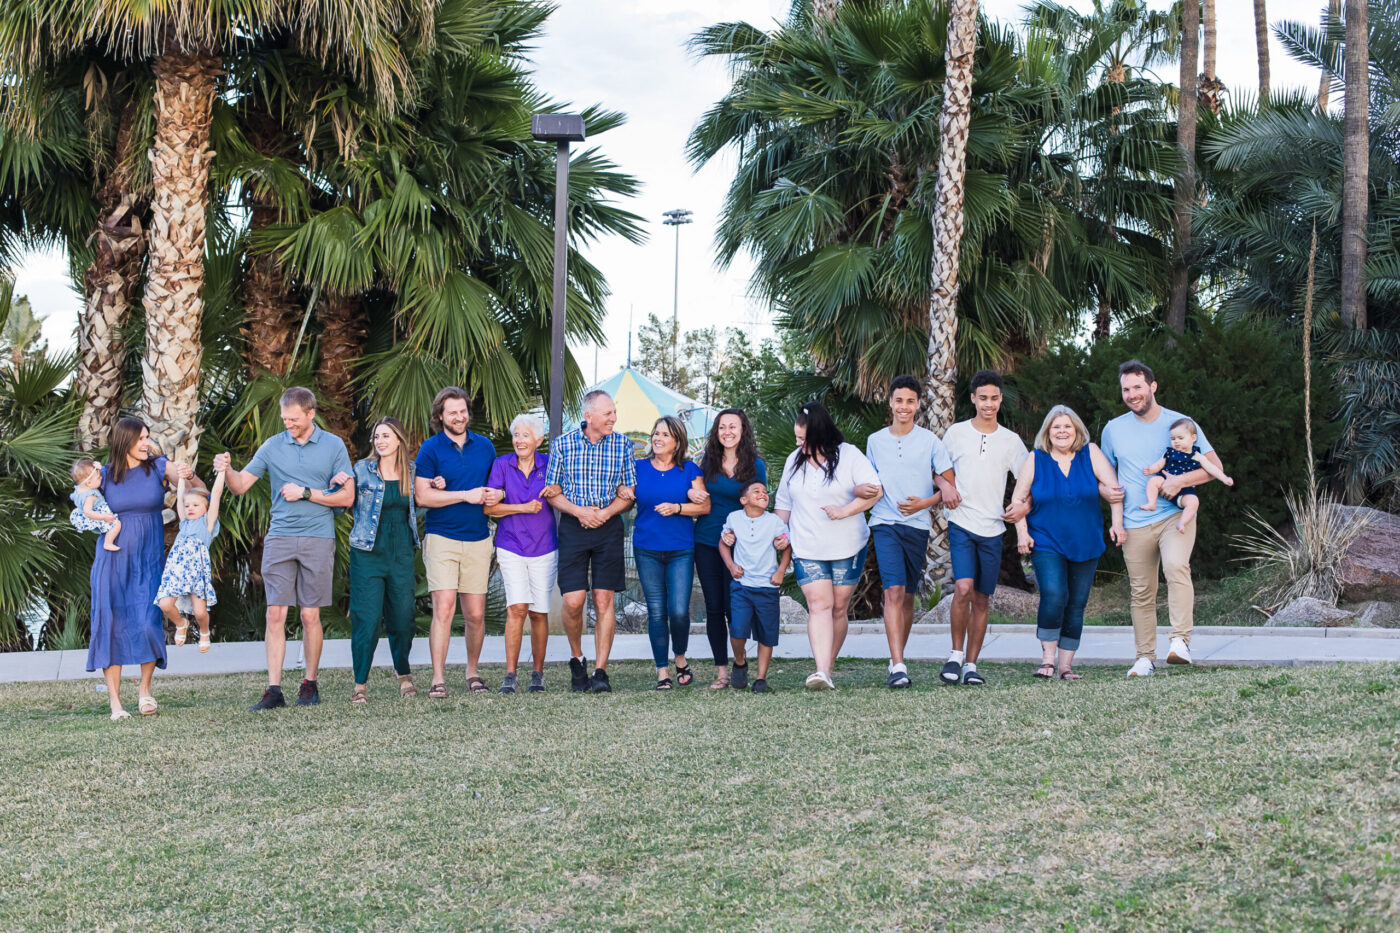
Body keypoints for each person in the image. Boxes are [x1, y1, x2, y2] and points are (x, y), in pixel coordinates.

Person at [215, 387, 354, 711]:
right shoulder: (273, 445)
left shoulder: (333, 446)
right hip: (279, 538)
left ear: (310, 414)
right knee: (275, 613)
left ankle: (309, 683)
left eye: (294, 419)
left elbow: (347, 498)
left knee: (309, 614)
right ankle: (274, 689)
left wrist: (307, 493)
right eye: (284, 419)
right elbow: (239, 486)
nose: (288, 424)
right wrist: (227, 467)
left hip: (318, 537)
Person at [1100, 359, 1224, 676]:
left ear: (1152, 387)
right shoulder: (1113, 429)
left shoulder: (1180, 423)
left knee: (1175, 566)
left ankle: (1180, 641)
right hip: (1134, 521)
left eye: (1138, 387)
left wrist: (1180, 482)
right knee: (1141, 591)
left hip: (1175, 515)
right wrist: (1107, 498)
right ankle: (1144, 658)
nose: (1132, 394)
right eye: (1126, 389)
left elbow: (1215, 468)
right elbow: (1106, 478)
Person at [87, 417, 199, 719]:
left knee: (149, 621)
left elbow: (186, 481)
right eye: (140, 439)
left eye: (147, 437)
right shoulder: (105, 475)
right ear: (125, 441)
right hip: (113, 559)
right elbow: (82, 498)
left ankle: (145, 690)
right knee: (111, 624)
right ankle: (115, 703)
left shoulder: (158, 467)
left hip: (149, 559)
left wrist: (187, 473)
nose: (146, 443)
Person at [1010, 405, 1125, 680]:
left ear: (1077, 431)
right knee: (1054, 593)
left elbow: (1115, 492)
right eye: (1056, 427)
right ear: (1048, 432)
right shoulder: (1036, 458)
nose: (1062, 431)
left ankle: (1066, 666)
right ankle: (1047, 660)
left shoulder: (1091, 453)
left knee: (1077, 602)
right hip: (1046, 539)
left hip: (1086, 540)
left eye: (1067, 427)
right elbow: (1018, 499)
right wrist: (1022, 533)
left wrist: (1117, 523)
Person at [773, 401, 881, 691]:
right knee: (819, 606)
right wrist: (779, 533)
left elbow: (875, 491)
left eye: (803, 439)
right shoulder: (794, 461)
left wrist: (843, 511)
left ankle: (828, 666)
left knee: (838, 608)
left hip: (848, 545)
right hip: (807, 546)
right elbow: (783, 504)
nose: (799, 444)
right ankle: (820, 670)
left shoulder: (849, 456)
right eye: (797, 438)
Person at [865, 375, 960, 689]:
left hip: (917, 526)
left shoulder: (930, 441)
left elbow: (947, 485)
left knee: (906, 596)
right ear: (890, 402)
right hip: (885, 523)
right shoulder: (875, 441)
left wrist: (924, 503)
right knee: (892, 591)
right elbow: (869, 482)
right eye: (898, 400)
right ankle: (899, 666)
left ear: (918, 404)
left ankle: (896, 659)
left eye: (910, 401)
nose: (903, 406)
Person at [541, 390, 636, 693]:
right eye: (608, 413)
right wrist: (580, 512)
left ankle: (600, 671)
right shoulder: (563, 444)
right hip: (573, 526)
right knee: (573, 601)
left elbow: (629, 492)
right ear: (589, 415)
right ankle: (577, 658)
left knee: (604, 599)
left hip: (608, 528)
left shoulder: (622, 444)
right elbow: (552, 491)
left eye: (614, 412)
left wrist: (605, 513)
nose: (614, 418)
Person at [938, 370, 1029, 687]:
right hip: (961, 522)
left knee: (981, 598)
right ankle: (955, 655)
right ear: (973, 399)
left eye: (994, 398)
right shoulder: (956, 434)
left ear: (1000, 399)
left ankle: (972, 665)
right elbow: (938, 470)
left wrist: (1023, 507)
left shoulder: (1011, 441)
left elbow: (1028, 482)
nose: (988, 404)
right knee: (962, 588)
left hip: (994, 528)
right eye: (982, 398)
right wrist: (944, 487)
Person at [413, 387, 502, 697]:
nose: (459, 416)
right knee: (445, 609)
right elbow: (422, 496)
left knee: (476, 614)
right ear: (440, 416)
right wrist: (464, 495)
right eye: (452, 412)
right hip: (441, 539)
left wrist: (498, 494)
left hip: (478, 538)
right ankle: (438, 678)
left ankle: (473, 673)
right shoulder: (430, 449)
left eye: (462, 411)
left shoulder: (486, 447)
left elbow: (496, 486)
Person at [347, 417, 421, 704]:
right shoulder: (360, 471)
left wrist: (438, 484)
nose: (380, 441)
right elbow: (344, 499)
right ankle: (360, 684)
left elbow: (422, 502)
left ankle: (403, 674)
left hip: (401, 552)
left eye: (386, 436)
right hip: (367, 553)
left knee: (403, 618)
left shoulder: (412, 471)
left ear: (399, 440)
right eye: (377, 436)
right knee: (366, 620)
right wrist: (336, 485)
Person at [691, 409, 766, 690]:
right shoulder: (707, 463)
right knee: (714, 608)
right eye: (722, 427)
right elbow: (695, 491)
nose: (727, 432)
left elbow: (760, 502)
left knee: (736, 609)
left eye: (733, 426)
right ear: (716, 432)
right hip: (708, 542)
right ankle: (722, 671)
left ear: (743, 429)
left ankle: (740, 660)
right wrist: (691, 494)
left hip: (742, 546)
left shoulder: (756, 465)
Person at [632, 415, 708, 690]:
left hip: (681, 550)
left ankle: (680, 658)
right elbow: (625, 492)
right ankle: (662, 671)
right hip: (646, 548)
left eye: (665, 434)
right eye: (656, 433)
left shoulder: (690, 470)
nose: (658, 438)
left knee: (677, 611)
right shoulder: (638, 467)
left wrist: (678, 507)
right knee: (656, 611)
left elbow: (704, 507)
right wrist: (622, 489)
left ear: (677, 442)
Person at [485, 413, 556, 695]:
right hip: (511, 544)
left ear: (538, 440)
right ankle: (510, 674)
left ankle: (537, 673)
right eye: (516, 435)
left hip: (545, 546)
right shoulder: (501, 464)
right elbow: (490, 508)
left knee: (539, 612)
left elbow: (561, 495)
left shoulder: (550, 464)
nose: (519, 440)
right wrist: (524, 507)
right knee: (517, 608)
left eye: (525, 435)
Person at [718, 479, 791, 693]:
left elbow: (787, 546)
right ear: (743, 500)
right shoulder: (734, 518)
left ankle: (760, 679)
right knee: (737, 630)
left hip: (767, 587)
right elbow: (723, 543)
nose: (762, 494)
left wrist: (780, 571)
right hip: (742, 586)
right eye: (756, 491)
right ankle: (740, 662)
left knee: (766, 634)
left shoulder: (775, 521)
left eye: (765, 492)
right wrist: (731, 566)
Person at [155, 470, 227, 653]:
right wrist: (180, 477)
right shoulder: (184, 523)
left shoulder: (207, 524)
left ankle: (204, 632)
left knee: (200, 612)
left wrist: (222, 472)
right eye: (187, 506)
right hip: (177, 571)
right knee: (164, 604)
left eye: (195, 505)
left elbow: (216, 494)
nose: (190, 508)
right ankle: (181, 623)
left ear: (205, 507)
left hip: (196, 573)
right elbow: (180, 497)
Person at [1142, 417, 1234, 533]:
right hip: (1165, 481)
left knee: (1194, 502)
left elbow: (1212, 468)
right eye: (1173, 438)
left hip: (1185, 490)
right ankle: (1151, 503)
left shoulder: (1197, 455)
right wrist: (1151, 469)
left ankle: (1182, 523)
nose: (1176, 441)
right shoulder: (1169, 452)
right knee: (1153, 481)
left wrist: (1224, 478)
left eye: (1180, 438)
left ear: (1193, 438)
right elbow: (1160, 463)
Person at [70, 458, 123, 551]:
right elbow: (88, 512)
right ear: (89, 483)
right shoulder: (89, 496)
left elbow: (90, 474)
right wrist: (104, 517)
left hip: (93, 513)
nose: (101, 477)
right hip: (97, 515)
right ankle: (108, 543)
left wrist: (99, 467)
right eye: (98, 477)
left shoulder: (80, 488)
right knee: (117, 524)